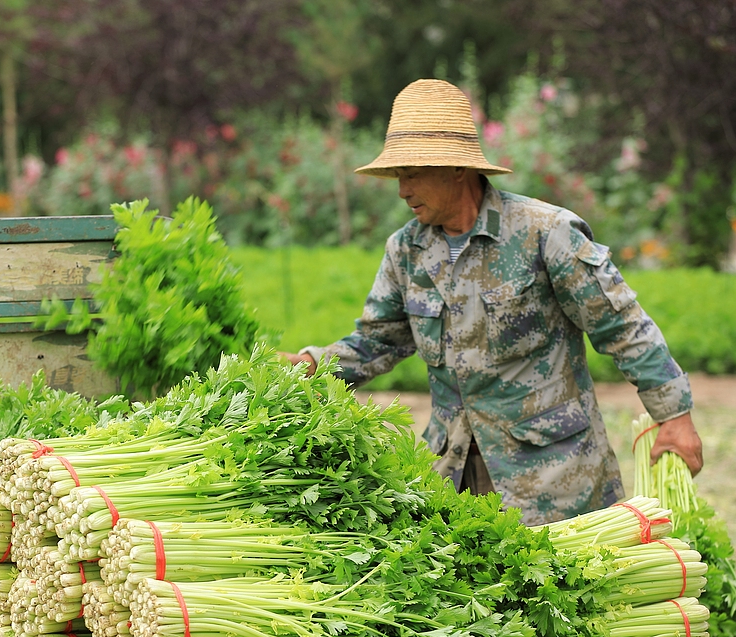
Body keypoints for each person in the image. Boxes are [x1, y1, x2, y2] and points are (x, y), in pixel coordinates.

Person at [282, 79, 703, 525]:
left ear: (456, 168)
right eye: (398, 176)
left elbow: (623, 327)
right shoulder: (406, 250)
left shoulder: (545, 233)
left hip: (554, 481)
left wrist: (674, 415)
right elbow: (378, 342)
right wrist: (312, 364)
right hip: (454, 475)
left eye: (413, 173)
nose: (402, 190)